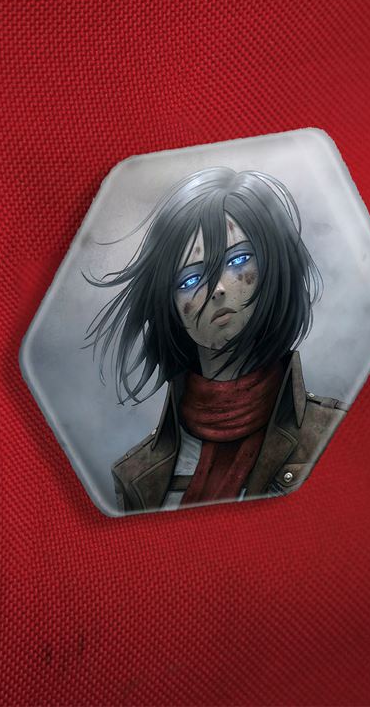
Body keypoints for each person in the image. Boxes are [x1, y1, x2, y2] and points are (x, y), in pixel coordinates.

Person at [85, 167, 347, 513]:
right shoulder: (136, 477)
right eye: (191, 279)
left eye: (238, 259)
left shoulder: (332, 432)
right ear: (171, 306)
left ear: (272, 266)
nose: (218, 288)